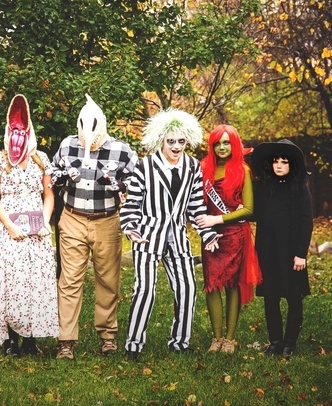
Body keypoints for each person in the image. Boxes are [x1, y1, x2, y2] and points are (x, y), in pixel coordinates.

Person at [120, 108, 220, 360]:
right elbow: (131, 204)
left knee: (187, 287)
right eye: (171, 141)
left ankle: (180, 342)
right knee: (145, 289)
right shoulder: (144, 167)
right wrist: (131, 228)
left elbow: (196, 206)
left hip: (177, 237)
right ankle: (134, 344)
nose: (176, 147)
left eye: (181, 141)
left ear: (188, 141)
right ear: (161, 140)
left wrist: (207, 235)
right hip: (147, 236)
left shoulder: (192, 167)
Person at [51, 94, 138, 360]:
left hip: (107, 220)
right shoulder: (67, 145)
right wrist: (64, 174)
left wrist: (116, 183)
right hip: (73, 218)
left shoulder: (122, 150)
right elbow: (51, 174)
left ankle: (108, 336)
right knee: (69, 281)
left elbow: (137, 183)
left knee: (108, 280)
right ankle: (66, 340)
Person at [0, 94, 58, 357]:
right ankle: (10, 340)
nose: (18, 135)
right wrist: (10, 226)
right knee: (11, 281)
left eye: (22, 130)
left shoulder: (42, 159)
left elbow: (49, 195)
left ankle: (30, 338)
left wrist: (45, 223)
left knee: (34, 280)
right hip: (9, 227)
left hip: (37, 227)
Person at [196, 124, 261, 354]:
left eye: (226, 143)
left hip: (234, 236)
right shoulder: (203, 168)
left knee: (233, 285)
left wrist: (217, 219)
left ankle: (230, 339)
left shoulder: (242, 169)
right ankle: (216, 338)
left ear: (233, 144)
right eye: (217, 143)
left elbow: (250, 210)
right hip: (211, 237)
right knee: (212, 284)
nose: (222, 147)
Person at [251, 139, 312, 358]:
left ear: (291, 165)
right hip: (267, 250)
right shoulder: (264, 187)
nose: (279, 165)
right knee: (270, 296)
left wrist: (300, 254)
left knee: (293, 296)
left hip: (291, 251)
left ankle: (289, 343)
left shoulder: (300, 189)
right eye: (276, 161)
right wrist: (240, 208)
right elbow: (255, 213)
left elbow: (307, 221)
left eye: (284, 162)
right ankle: (275, 342)